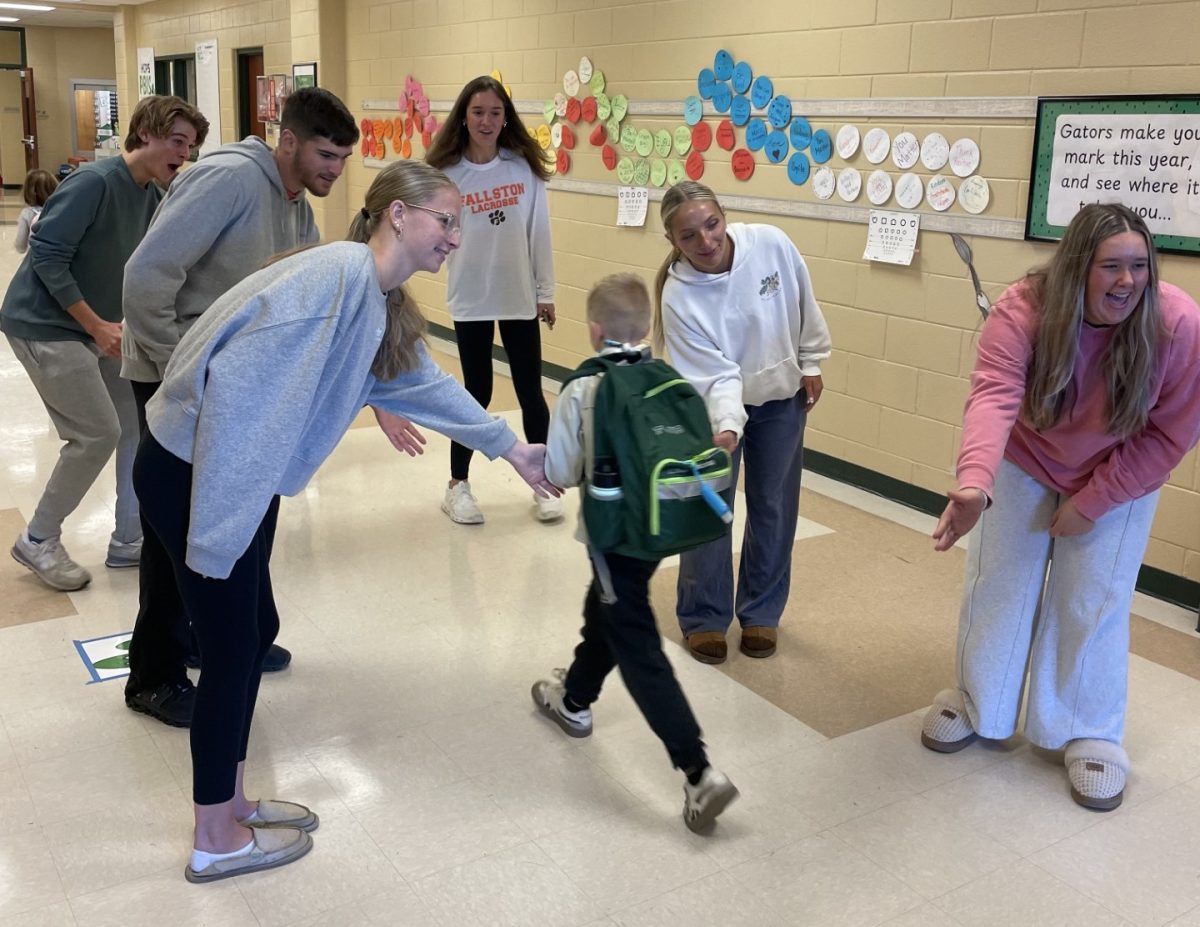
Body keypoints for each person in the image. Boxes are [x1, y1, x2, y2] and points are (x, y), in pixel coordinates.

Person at [133, 159, 558, 883]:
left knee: (252, 632)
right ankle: (213, 835)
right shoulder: (332, 283)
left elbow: (422, 384)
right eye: (444, 221)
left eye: (458, 223)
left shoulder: (376, 295)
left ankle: (231, 800)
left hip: (229, 474)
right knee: (233, 647)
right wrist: (219, 535)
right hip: (200, 474)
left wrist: (512, 448)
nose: (455, 237)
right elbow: (240, 404)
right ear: (398, 214)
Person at [921, 203, 1200, 811]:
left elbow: (1171, 434)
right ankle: (978, 702)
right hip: (1026, 454)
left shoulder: (1177, 325)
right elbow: (993, 396)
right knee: (1000, 583)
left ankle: (1088, 731)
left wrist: (1094, 501)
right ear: (1077, 268)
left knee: (1092, 598)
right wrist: (974, 483)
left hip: (1121, 466)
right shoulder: (1021, 310)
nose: (1127, 282)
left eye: (1139, 266)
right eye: (1111, 267)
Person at [121, 87, 363, 728]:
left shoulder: (295, 207)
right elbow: (145, 278)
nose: (333, 171)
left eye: (342, 158)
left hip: (234, 389)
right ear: (287, 141)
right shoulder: (227, 179)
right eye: (325, 154)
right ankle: (153, 675)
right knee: (175, 533)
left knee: (245, 511)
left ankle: (218, 635)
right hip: (176, 378)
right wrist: (187, 376)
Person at [532, 272, 739, 833]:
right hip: (658, 531)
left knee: (635, 638)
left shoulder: (584, 388)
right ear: (647, 327)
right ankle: (573, 700)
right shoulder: (670, 378)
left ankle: (698, 771)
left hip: (613, 533)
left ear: (594, 330)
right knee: (607, 611)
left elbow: (557, 470)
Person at [0, 95, 208, 591]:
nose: (185, 154)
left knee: (137, 423)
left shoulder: (153, 193)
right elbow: (46, 257)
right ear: (145, 135)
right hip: (46, 326)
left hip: (104, 328)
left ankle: (130, 539)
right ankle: (38, 539)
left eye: (192, 146)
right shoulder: (93, 183)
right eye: (177, 141)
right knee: (96, 434)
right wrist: (95, 326)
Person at [652, 181, 831, 664]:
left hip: (780, 399)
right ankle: (705, 617)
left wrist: (810, 361)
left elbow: (802, 303)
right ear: (673, 242)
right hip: (713, 406)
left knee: (774, 503)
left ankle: (762, 611)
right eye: (689, 236)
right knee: (710, 507)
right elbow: (715, 375)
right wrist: (728, 425)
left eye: (711, 224)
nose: (706, 241)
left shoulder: (770, 243)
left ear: (724, 215)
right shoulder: (678, 296)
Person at [423, 75, 561, 525]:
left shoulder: (523, 168)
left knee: (529, 393)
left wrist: (546, 292)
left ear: (506, 119)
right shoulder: (446, 173)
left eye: (496, 112)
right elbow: (429, 233)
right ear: (464, 115)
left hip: (518, 294)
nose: (487, 120)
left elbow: (539, 232)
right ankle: (456, 486)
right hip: (471, 296)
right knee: (476, 392)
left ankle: (542, 481)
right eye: (478, 111)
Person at [14, 168, 58, 254]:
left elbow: (21, 246)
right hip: (60, 260)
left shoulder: (27, 213)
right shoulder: (60, 209)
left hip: (36, 261)